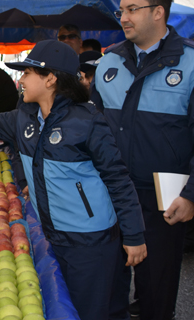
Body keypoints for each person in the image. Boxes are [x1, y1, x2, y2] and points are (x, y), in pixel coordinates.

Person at [0, 40, 147, 320]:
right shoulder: (24, 119)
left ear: (50, 78)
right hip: (53, 234)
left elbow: (118, 178)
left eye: (27, 73)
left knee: (91, 311)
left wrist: (134, 234)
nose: (20, 79)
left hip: (91, 240)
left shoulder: (87, 122)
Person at [90, 0, 194, 319]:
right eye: (122, 10)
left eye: (132, 9)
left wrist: (191, 195)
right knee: (109, 288)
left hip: (164, 198)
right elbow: (90, 131)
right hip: (112, 194)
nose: (123, 17)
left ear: (158, 11)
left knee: (157, 291)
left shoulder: (190, 63)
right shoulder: (108, 63)